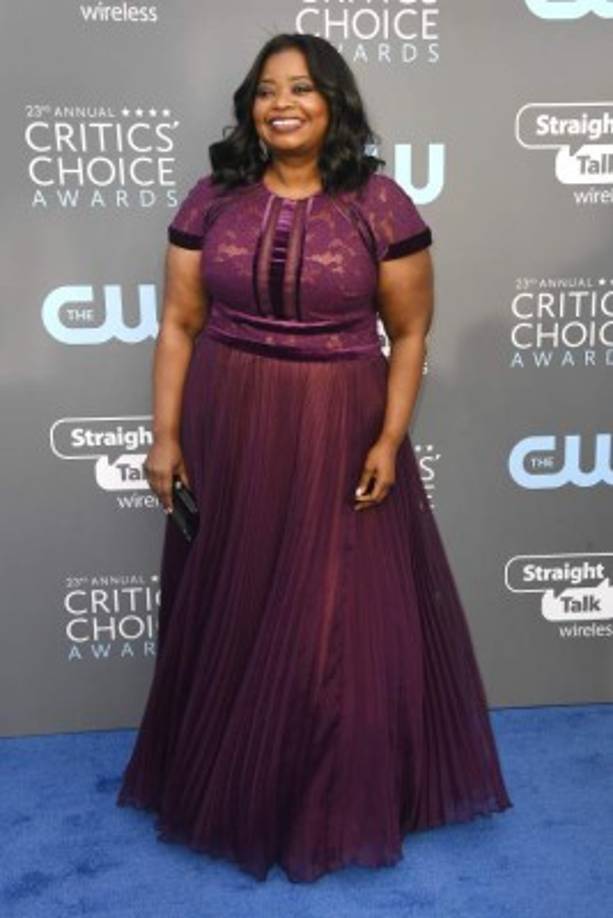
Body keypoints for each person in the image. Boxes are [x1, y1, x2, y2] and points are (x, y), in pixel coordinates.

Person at [116, 32, 512, 884]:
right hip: (228, 416)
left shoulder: (380, 204)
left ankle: (327, 797)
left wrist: (388, 437)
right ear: (249, 107)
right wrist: (165, 436)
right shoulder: (211, 200)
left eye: (299, 88)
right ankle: (229, 781)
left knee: (332, 614)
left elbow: (408, 334)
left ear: (333, 101)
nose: (281, 103)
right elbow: (179, 325)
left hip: (339, 418)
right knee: (235, 597)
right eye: (265, 90)